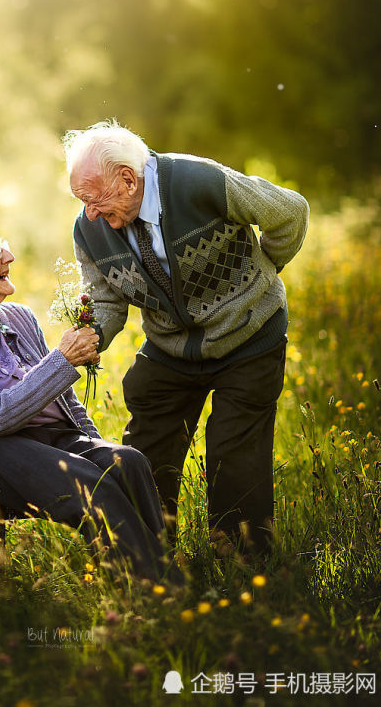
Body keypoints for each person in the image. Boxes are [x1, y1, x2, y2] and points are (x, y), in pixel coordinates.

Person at [63, 121, 310, 554]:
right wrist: (93, 335)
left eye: (93, 198)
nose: (90, 213)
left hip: (249, 336)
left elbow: (290, 211)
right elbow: (105, 300)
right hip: (171, 346)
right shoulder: (90, 230)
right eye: (80, 201)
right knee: (145, 445)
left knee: (235, 454)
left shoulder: (199, 181)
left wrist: (260, 273)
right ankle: (145, 554)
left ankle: (242, 562)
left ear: (127, 179)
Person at [0, 202, 177, 582]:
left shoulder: (18, 317)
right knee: (89, 484)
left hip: (52, 440)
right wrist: (62, 360)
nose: (9, 256)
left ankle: (145, 575)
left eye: (3, 245)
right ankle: (163, 592)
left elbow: (62, 399)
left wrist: (96, 446)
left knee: (126, 462)